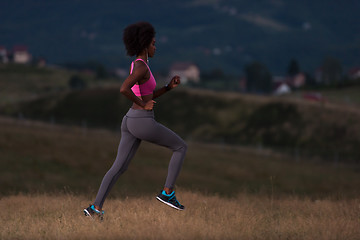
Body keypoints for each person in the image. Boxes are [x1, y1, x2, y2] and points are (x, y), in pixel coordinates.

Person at [84, 22, 187, 219]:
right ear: (145, 44)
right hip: (142, 121)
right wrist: (142, 104)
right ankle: (167, 193)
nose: (155, 47)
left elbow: (148, 95)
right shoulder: (141, 67)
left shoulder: (138, 65)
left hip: (130, 120)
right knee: (181, 147)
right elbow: (124, 89)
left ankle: (95, 208)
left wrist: (167, 87)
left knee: (119, 167)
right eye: (154, 44)